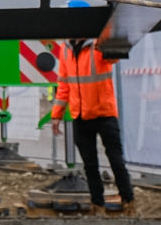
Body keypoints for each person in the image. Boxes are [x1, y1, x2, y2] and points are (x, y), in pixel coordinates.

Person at [47, 39, 133, 212]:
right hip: (80, 115)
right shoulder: (65, 49)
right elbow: (64, 85)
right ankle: (97, 203)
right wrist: (56, 114)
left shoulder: (98, 44)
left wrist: (112, 40)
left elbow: (115, 56)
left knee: (116, 159)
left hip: (104, 113)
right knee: (90, 164)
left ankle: (128, 200)